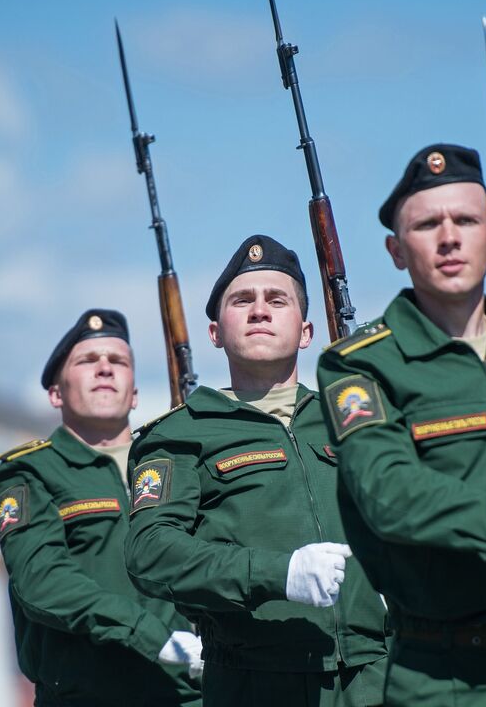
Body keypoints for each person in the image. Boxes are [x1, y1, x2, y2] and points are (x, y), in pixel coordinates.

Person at [315, 144, 486, 706]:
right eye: (427, 224)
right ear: (396, 249)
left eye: (465, 220)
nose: (448, 237)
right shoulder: (361, 364)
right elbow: (388, 493)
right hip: (447, 680)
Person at [125, 235, 388, 706]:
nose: (260, 311)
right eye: (242, 300)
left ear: (306, 331)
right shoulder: (182, 433)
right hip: (257, 683)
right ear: (215, 332)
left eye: (277, 299)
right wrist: (275, 573)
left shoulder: (352, 418)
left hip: (376, 678)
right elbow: (150, 551)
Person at [0, 309, 202, 706]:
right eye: (88, 361)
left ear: (134, 391)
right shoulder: (28, 473)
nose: (105, 369)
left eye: (118, 362)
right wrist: (149, 633)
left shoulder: (177, 462)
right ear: (55, 392)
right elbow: (42, 580)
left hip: (189, 694)